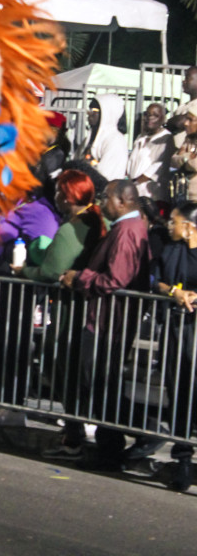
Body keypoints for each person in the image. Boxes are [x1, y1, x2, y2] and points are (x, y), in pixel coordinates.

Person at [49, 180, 150, 468]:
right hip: (106, 317)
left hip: (110, 320)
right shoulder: (126, 228)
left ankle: (141, 430)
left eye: (106, 199)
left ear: (122, 201)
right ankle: (110, 448)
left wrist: (78, 279)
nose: (102, 204)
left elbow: (116, 279)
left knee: (101, 383)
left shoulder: (128, 231)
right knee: (102, 385)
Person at [151, 202, 197, 491]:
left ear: (190, 227)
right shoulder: (168, 247)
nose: (170, 226)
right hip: (175, 329)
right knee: (177, 390)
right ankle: (182, 460)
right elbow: (156, 280)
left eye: (176, 222)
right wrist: (175, 292)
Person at [14, 169, 105, 283]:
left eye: (57, 192)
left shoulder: (68, 230)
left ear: (67, 198)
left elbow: (50, 272)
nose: (55, 196)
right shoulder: (100, 219)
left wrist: (23, 271)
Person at [126, 103, 175, 205]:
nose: (150, 118)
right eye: (147, 114)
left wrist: (135, 182)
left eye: (155, 115)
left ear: (163, 119)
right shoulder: (141, 137)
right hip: (135, 192)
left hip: (152, 196)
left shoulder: (166, 138)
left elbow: (158, 166)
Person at [74, 94, 128, 181]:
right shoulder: (88, 138)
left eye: (94, 110)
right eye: (90, 109)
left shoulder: (115, 140)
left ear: (107, 113)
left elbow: (105, 176)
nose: (89, 113)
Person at [170, 99, 197, 202]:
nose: (185, 123)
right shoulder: (189, 139)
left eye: (190, 120)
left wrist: (183, 157)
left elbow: (194, 164)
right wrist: (187, 157)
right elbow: (173, 161)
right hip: (184, 196)